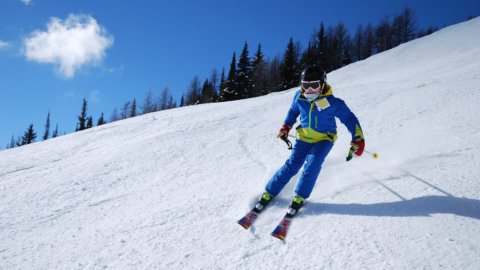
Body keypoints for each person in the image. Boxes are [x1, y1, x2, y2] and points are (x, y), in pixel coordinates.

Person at [254, 65, 365, 218]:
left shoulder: (334, 102)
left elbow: (349, 118)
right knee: (292, 165)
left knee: (312, 165)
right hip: (304, 137)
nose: (310, 90)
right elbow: (293, 112)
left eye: (314, 85)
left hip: (325, 138)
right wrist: (286, 126)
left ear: (323, 84)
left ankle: (299, 196)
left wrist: (358, 139)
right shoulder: (299, 97)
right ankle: (269, 192)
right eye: (306, 85)